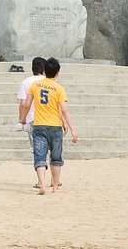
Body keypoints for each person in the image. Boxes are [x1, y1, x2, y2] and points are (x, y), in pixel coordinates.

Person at [20, 57, 79, 195]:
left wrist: (22, 119)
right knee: (56, 157)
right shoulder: (59, 89)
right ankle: (55, 186)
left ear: (44, 71)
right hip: (55, 127)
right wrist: (72, 129)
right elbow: (63, 109)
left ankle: (41, 184)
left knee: (39, 156)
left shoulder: (34, 86)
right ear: (57, 73)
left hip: (39, 125)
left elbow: (27, 104)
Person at [16, 57, 48, 183]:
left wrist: (21, 120)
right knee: (51, 150)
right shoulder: (50, 82)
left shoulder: (26, 82)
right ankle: (54, 181)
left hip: (33, 119)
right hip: (50, 119)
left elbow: (23, 104)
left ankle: (41, 181)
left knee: (37, 150)